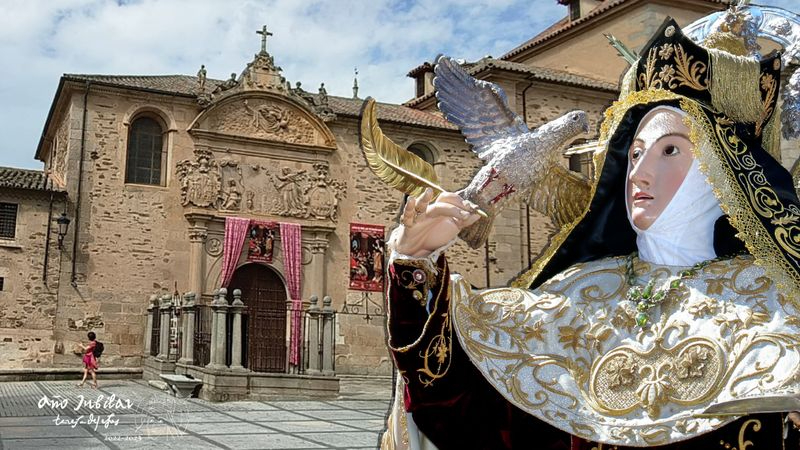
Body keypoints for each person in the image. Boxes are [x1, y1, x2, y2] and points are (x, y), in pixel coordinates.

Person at [381, 14, 800, 450]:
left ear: (723, 169)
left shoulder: (778, 301)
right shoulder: (577, 295)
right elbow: (457, 392)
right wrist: (414, 264)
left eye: (670, 150)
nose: (640, 174)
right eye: (635, 153)